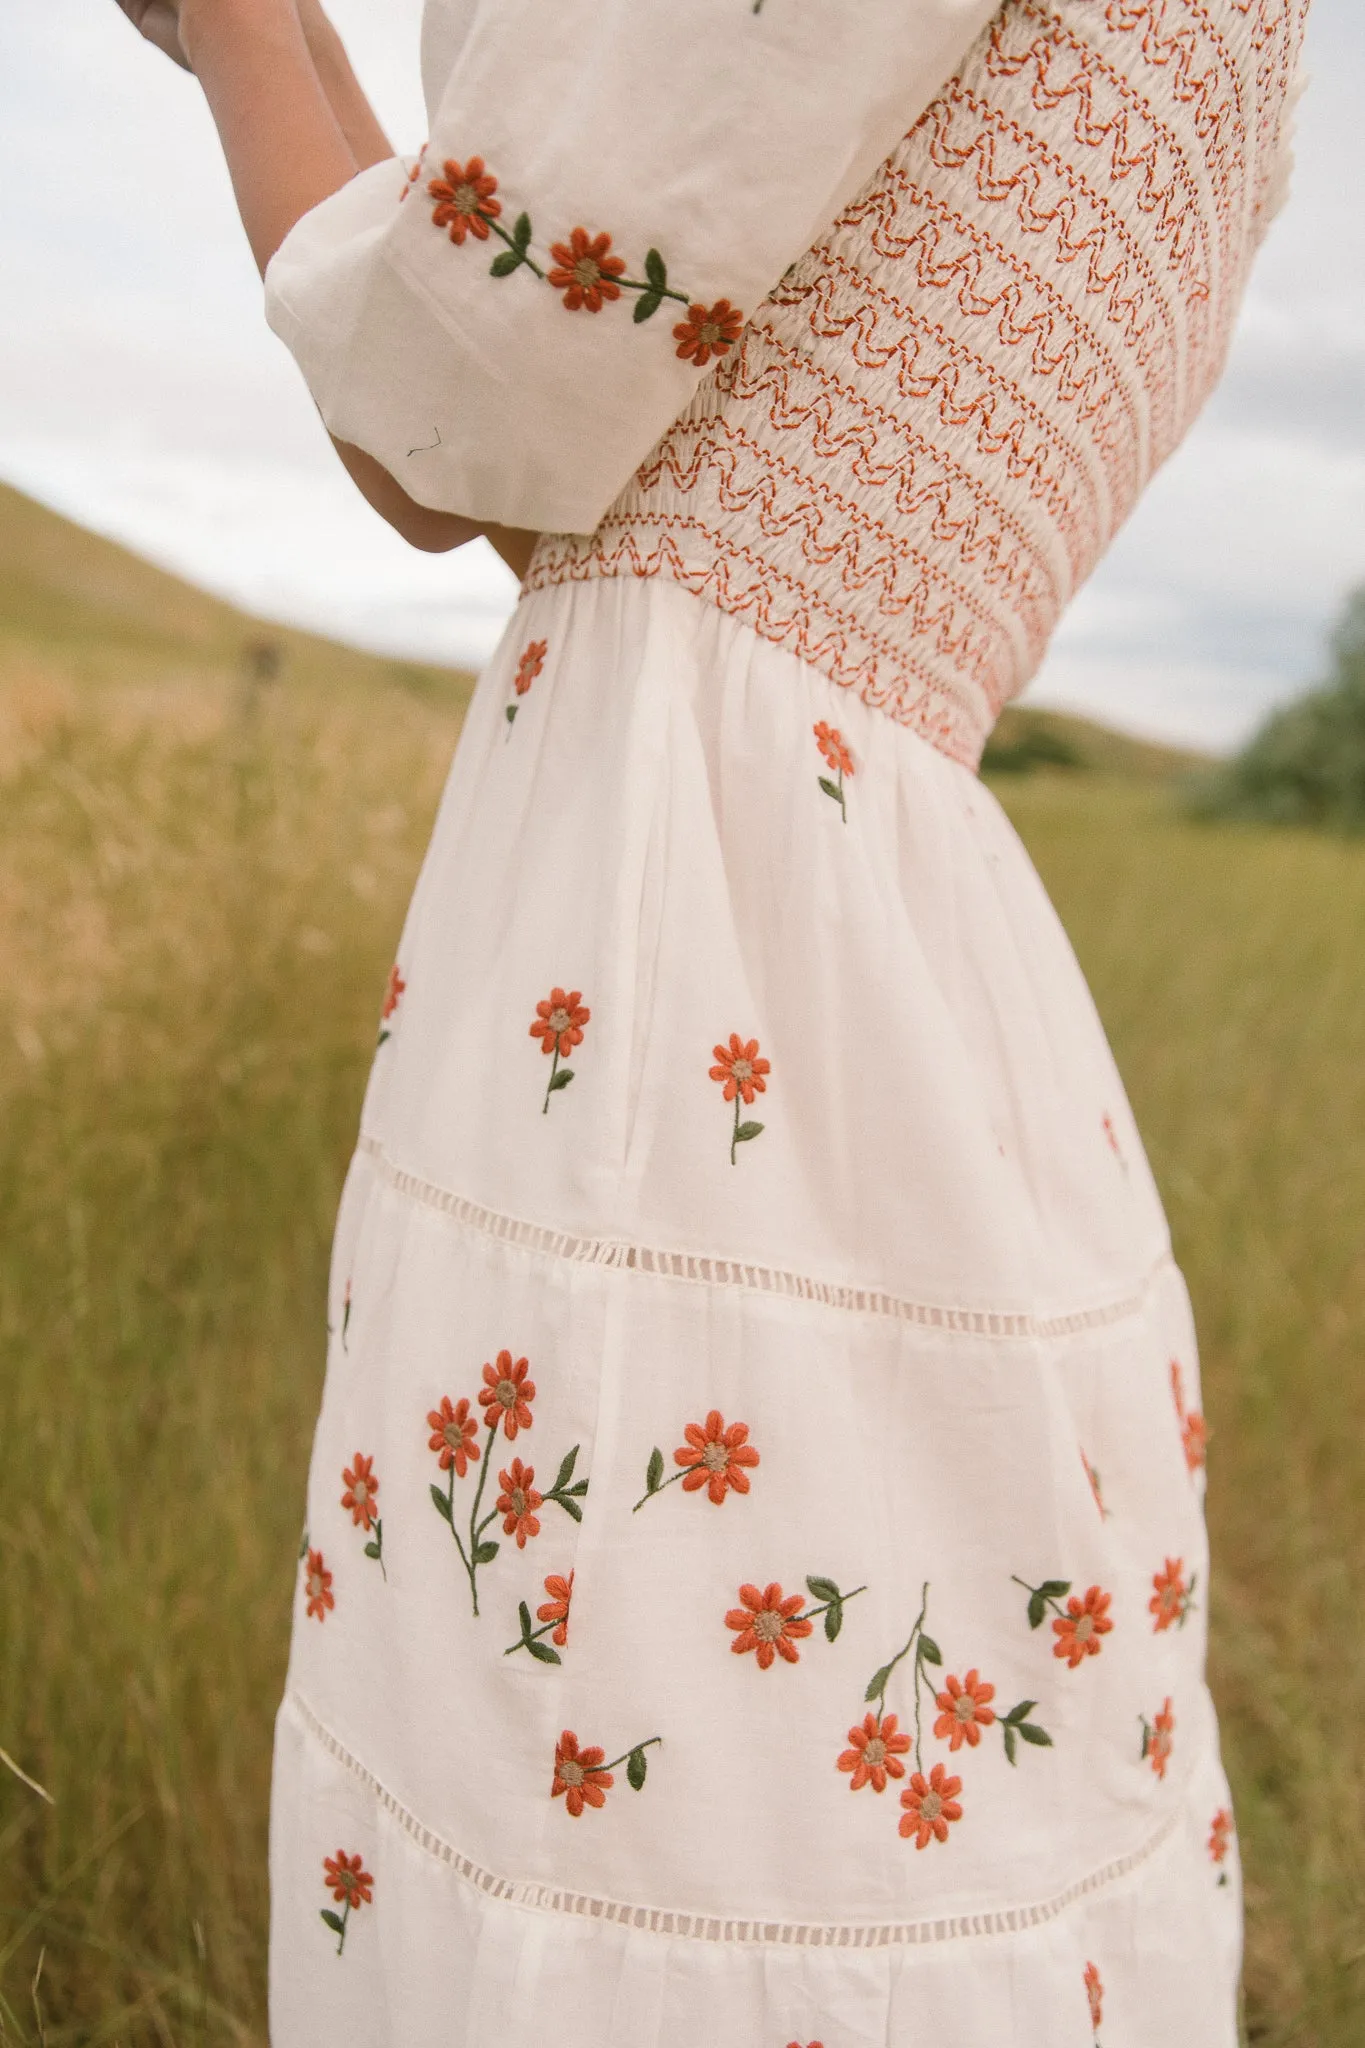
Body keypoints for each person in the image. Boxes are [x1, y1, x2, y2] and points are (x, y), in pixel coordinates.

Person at [115, 1, 1308, 2042]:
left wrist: (234, 32)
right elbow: (579, 438)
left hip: (684, 947)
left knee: (619, 1792)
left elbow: (449, 411)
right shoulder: (1251, 64)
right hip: (914, 968)